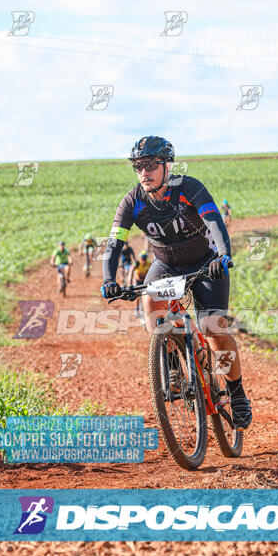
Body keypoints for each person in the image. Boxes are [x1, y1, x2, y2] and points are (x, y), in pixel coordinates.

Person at [100, 136, 252, 430]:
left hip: (206, 262)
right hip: (167, 265)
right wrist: (109, 279)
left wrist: (222, 256)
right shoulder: (132, 202)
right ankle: (171, 365)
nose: (144, 172)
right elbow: (114, 243)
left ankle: (237, 392)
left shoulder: (189, 188)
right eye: (138, 166)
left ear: (167, 165)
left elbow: (214, 222)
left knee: (212, 327)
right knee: (150, 304)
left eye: (150, 165)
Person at [128, 250, 152, 318]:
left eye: (145, 259)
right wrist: (130, 283)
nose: (144, 261)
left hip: (145, 281)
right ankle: (136, 309)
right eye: (142, 259)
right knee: (137, 294)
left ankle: (147, 310)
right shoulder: (137, 263)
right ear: (140, 258)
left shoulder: (149, 263)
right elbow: (131, 271)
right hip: (138, 280)